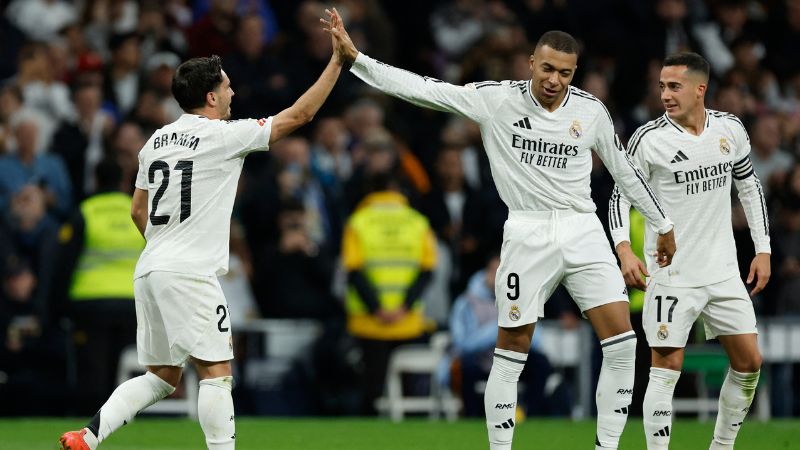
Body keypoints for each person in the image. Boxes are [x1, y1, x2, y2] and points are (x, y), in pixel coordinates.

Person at [328, 11, 677, 450]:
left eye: (565, 73)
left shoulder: (590, 112)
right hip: (527, 231)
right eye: (547, 68)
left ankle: (607, 447)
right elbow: (425, 90)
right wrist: (357, 60)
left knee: (623, 342)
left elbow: (625, 172)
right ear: (530, 62)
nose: (554, 80)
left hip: (582, 227)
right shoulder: (496, 100)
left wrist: (662, 223)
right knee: (512, 348)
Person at [59, 8, 350, 450]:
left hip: (151, 268)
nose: (232, 90)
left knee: (161, 377)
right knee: (217, 375)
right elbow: (299, 116)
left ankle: (88, 436)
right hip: (189, 272)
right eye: (227, 85)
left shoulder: (154, 141)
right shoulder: (223, 136)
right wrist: (337, 62)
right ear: (211, 97)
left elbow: (138, 210)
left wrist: (165, 246)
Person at [608, 52, 770, 450]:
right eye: (662, 86)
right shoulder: (648, 139)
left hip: (722, 271)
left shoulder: (730, 129)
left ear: (701, 89)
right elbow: (618, 197)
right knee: (666, 366)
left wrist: (762, 248)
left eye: (674, 86)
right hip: (672, 274)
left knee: (750, 363)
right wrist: (624, 249)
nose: (665, 94)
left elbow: (750, 187)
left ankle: (721, 446)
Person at [342, 171, 437, 415]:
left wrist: (377, 309)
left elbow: (354, 271)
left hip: (370, 321)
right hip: (408, 321)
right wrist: (404, 307)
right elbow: (427, 272)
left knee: (371, 389)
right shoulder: (418, 222)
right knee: (412, 392)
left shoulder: (358, 221)